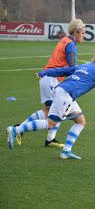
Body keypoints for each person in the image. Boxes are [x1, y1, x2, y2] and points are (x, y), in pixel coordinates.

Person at [7, 46, 95, 159]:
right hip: (66, 94)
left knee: (80, 121)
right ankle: (16, 130)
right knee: (51, 124)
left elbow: (62, 71)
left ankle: (66, 151)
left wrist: (44, 72)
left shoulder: (85, 66)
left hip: (63, 91)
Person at [7, 19, 86, 148]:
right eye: (83, 32)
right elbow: (72, 68)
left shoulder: (65, 40)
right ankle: (17, 129)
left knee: (53, 111)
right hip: (51, 79)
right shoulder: (71, 45)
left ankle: (49, 139)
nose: (84, 35)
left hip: (49, 78)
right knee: (53, 111)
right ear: (76, 32)